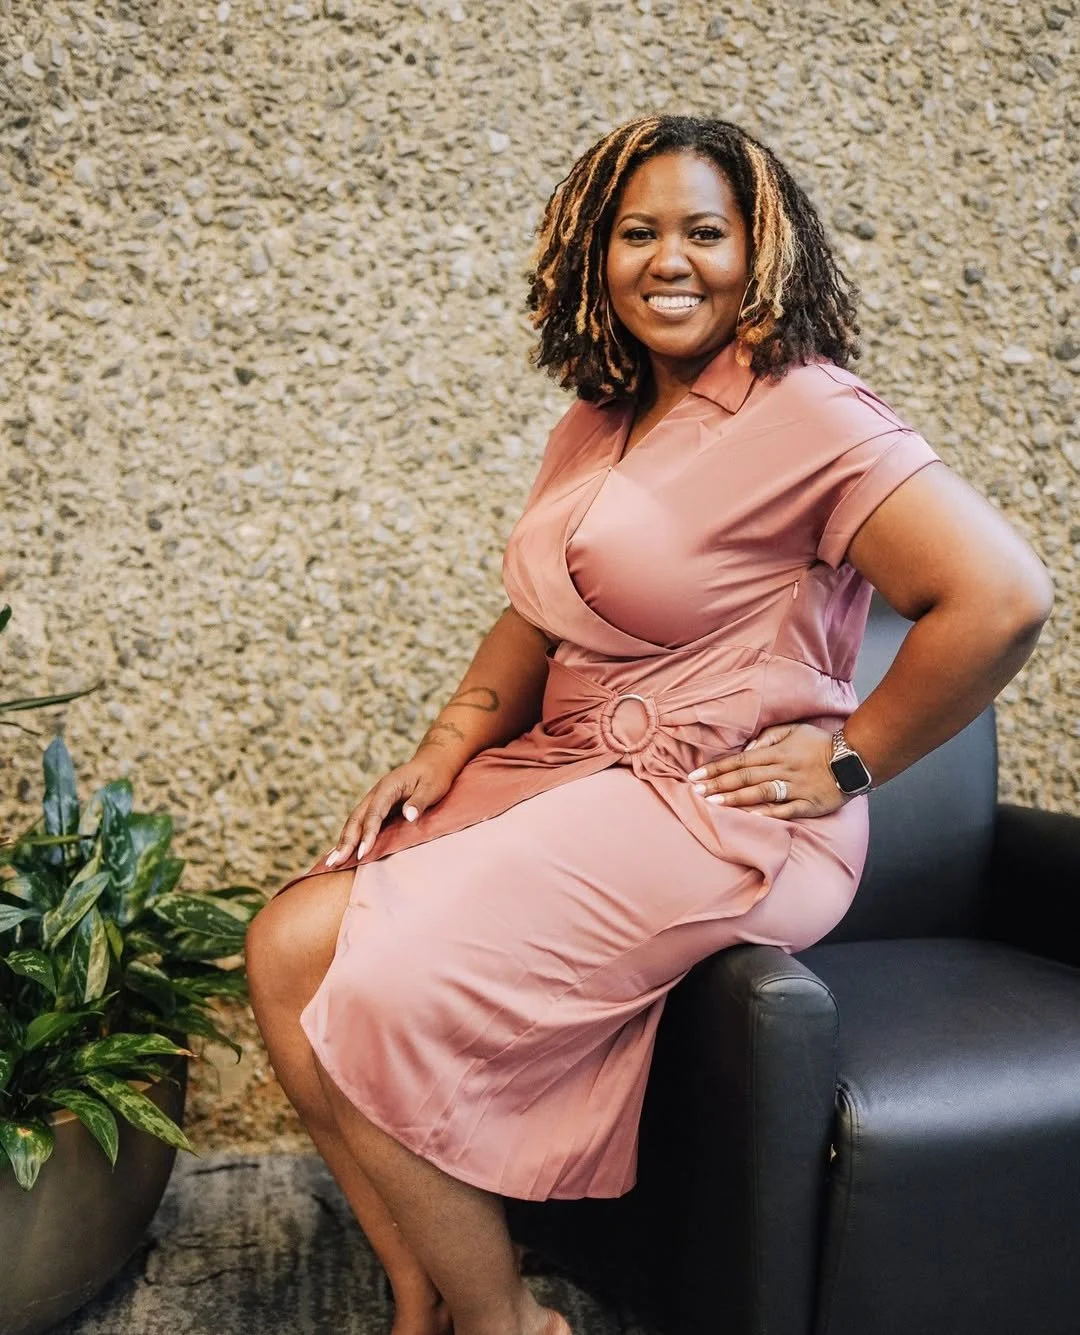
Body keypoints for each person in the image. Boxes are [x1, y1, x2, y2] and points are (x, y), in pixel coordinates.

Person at [244, 115, 1053, 1335]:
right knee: (289, 945)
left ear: (760, 252)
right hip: (571, 768)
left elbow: (1001, 597)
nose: (669, 261)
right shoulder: (598, 417)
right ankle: (422, 1295)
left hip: (716, 805)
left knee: (380, 992)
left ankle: (509, 1320)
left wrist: (850, 758)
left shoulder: (811, 412)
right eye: (638, 233)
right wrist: (449, 741)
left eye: (704, 233)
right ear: (595, 254)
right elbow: (535, 616)